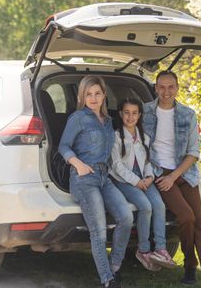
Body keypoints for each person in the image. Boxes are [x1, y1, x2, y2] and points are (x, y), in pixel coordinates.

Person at [143, 70, 201, 288]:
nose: (166, 92)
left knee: (200, 222)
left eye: (171, 87)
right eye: (161, 87)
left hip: (184, 174)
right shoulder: (146, 112)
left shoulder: (188, 114)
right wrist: (161, 176)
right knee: (186, 217)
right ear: (156, 88)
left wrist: (175, 176)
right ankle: (189, 264)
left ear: (177, 88)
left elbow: (194, 152)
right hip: (160, 174)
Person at [58, 75, 132, 288]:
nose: (93, 98)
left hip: (104, 178)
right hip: (84, 179)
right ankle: (108, 280)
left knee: (126, 218)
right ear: (82, 96)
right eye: (88, 94)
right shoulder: (78, 118)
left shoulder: (108, 122)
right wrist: (78, 164)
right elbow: (63, 146)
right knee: (99, 231)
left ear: (104, 95)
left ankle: (115, 267)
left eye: (97, 93)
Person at [110, 97, 177, 272]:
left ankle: (161, 249)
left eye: (134, 113)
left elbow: (148, 161)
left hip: (144, 179)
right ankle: (144, 249)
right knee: (146, 207)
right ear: (120, 114)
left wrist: (149, 177)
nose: (130, 117)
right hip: (124, 180)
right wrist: (136, 181)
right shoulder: (116, 137)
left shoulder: (144, 137)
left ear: (139, 115)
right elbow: (116, 166)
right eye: (126, 113)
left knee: (159, 205)